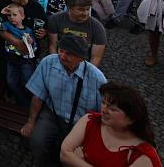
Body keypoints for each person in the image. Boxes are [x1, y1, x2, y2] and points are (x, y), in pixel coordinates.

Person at [21, 35, 107, 167]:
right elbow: (38, 96)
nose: (62, 56)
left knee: (72, 158)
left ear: (82, 58)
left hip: (81, 123)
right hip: (52, 114)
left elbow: (102, 116)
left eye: (69, 54)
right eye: (61, 51)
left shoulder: (97, 79)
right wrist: (30, 122)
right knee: (37, 142)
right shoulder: (48, 62)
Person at [60, 82, 161, 167]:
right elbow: (64, 154)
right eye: (103, 103)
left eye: (113, 109)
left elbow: (69, 155)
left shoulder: (142, 155)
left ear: (132, 119)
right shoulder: (90, 121)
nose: (104, 110)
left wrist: (80, 162)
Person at [0, 2, 37, 107]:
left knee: (27, 82)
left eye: (15, 15)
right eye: (9, 15)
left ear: (22, 16)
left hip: (26, 60)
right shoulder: (7, 26)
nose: (11, 18)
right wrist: (1, 13)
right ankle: (22, 102)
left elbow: (34, 47)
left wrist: (32, 42)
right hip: (11, 59)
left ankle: (29, 102)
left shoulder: (28, 30)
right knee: (11, 82)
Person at [48, 0, 107, 67]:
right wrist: (56, 65)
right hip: (60, 60)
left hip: (82, 64)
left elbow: (96, 58)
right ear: (69, 8)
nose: (85, 13)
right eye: (81, 10)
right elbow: (53, 46)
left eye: (87, 9)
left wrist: (86, 73)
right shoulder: (55, 19)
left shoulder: (97, 27)